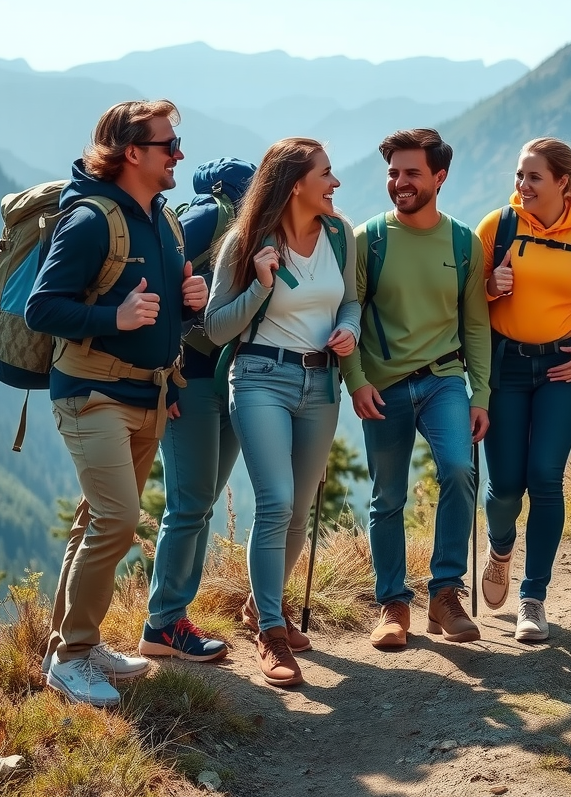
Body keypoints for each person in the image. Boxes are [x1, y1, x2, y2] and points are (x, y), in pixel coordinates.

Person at [26, 99, 208, 708]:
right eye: (168, 145)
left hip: (149, 394)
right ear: (133, 152)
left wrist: (190, 299)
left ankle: (72, 645)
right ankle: (73, 658)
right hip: (92, 392)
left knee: (96, 521)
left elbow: (166, 314)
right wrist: (115, 317)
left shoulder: (164, 218)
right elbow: (42, 308)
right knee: (117, 520)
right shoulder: (91, 220)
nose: (178, 153)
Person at [204, 138, 359, 686]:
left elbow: (350, 300)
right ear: (296, 183)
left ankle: (258, 606)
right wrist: (262, 288)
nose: (335, 182)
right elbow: (217, 327)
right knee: (276, 502)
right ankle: (270, 630)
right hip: (259, 378)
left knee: (299, 512)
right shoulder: (246, 243)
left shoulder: (339, 236)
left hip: (322, 382)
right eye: (326, 173)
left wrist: (351, 329)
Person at [475, 137, 571, 642]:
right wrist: (488, 286)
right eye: (520, 175)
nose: (522, 185)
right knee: (504, 489)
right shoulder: (497, 227)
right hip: (505, 367)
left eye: (533, 177)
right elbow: (464, 302)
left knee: (545, 477)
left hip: (566, 366)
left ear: (563, 182)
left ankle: (533, 597)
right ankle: (501, 548)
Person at [340, 128, 491, 651]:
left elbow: (475, 324)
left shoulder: (462, 242)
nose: (399, 182)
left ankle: (446, 593)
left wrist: (481, 394)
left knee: (457, 469)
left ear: (439, 177)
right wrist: (355, 381)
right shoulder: (368, 239)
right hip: (382, 388)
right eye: (393, 173)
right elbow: (349, 315)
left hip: (445, 380)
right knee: (388, 497)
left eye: (411, 173)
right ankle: (393, 603)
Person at [140, 158, 256, 663]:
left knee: (201, 502)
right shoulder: (209, 216)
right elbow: (148, 293)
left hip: (226, 379)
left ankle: (173, 617)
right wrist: (161, 380)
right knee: (189, 504)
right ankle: (163, 623)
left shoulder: (251, 227)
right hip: (190, 381)